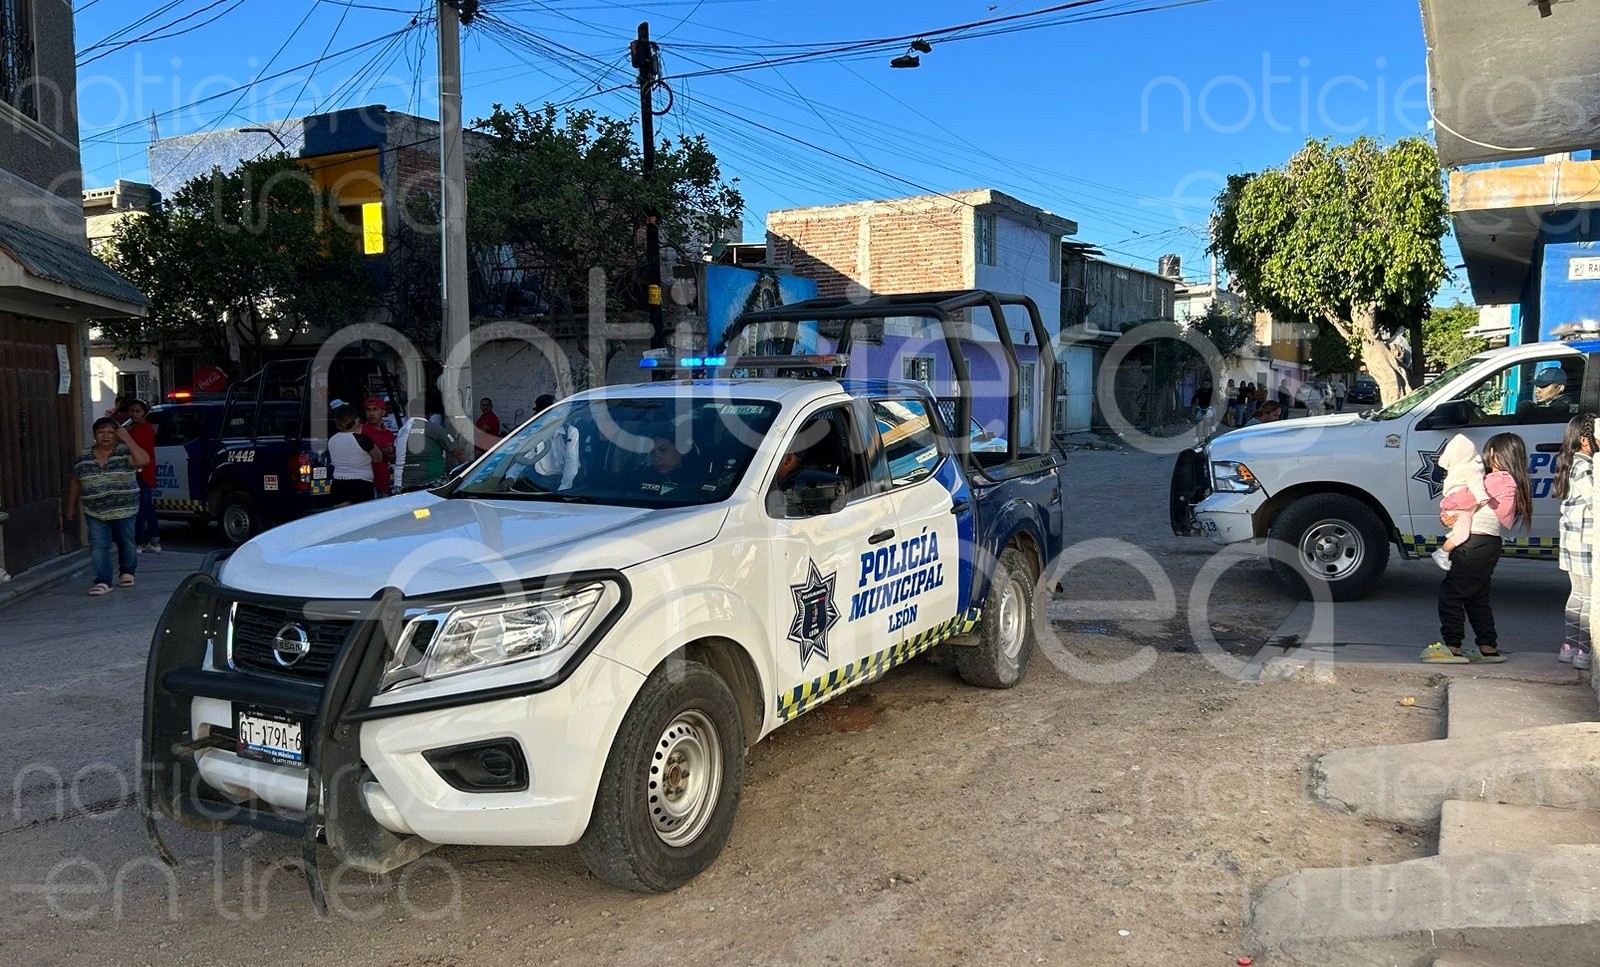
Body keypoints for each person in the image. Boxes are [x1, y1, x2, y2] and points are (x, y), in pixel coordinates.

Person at [1420, 432, 1532, 664]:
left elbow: (1464, 498)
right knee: (1476, 596)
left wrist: (1445, 507)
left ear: (1494, 453)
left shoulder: (1497, 480)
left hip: (1473, 543)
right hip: (1488, 543)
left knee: (1452, 593)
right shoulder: (1512, 481)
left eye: (1488, 451)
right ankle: (1487, 646)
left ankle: (1452, 647)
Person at [65, 418, 149, 596]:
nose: (106, 435)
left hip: (124, 508)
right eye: (101, 431)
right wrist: (71, 506)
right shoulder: (83, 456)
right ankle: (103, 580)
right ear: (94, 434)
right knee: (98, 545)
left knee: (126, 541)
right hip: (95, 510)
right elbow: (75, 480)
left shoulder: (125, 452)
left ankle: (127, 571)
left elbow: (143, 460)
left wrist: (128, 439)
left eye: (111, 432)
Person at [1554, 414, 1596, 670]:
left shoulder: (1569, 464)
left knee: (1578, 594)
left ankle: (1569, 647)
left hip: (1572, 540)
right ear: (1584, 440)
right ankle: (1584, 651)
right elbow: (1596, 501)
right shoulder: (1586, 468)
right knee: (1589, 597)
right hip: (1585, 540)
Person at [1431, 434, 1491, 571]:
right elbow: (1476, 484)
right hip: (1462, 504)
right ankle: (1443, 552)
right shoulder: (1472, 468)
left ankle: (1452, 539)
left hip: (1452, 502)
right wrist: (1482, 497)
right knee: (1462, 534)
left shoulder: (1455, 468)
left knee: (1460, 528)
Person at [396, 414, 468, 492]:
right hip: (431, 483)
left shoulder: (401, 431)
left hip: (403, 485)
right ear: (428, 415)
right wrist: (471, 471)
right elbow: (458, 453)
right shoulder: (434, 428)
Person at [124, 398, 160, 553]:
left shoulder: (143, 429)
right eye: (132, 411)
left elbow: (134, 446)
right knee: (147, 508)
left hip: (141, 471)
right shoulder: (134, 428)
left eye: (138, 411)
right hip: (142, 471)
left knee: (139, 509)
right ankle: (154, 540)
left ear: (144, 413)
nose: (134, 414)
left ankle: (139, 542)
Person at [328, 405, 381, 506]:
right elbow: (378, 458)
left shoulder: (332, 439)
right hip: (361, 484)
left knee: (342, 518)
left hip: (338, 484)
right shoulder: (362, 439)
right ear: (355, 420)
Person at [358, 396, 396, 497]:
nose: (371, 413)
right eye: (368, 410)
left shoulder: (389, 434)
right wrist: (384, 452)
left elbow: (393, 457)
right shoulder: (360, 431)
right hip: (366, 484)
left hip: (384, 485)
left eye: (375, 409)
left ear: (383, 412)